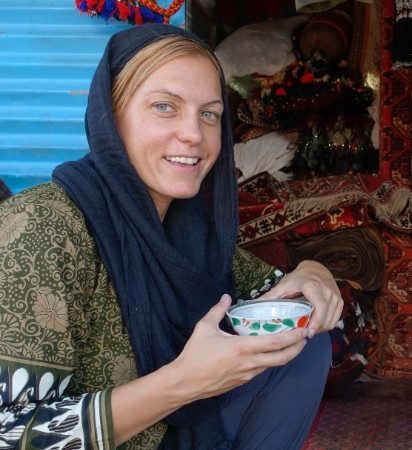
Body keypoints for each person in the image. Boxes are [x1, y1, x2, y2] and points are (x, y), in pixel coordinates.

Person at [0, 24, 343, 450]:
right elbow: (9, 434)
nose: (194, 135)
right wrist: (182, 383)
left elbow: (276, 295)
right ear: (111, 116)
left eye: (209, 113)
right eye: (164, 107)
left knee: (303, 351)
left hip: (171, 438)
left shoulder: (185, 230)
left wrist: (314, 271)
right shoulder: (40, 227)